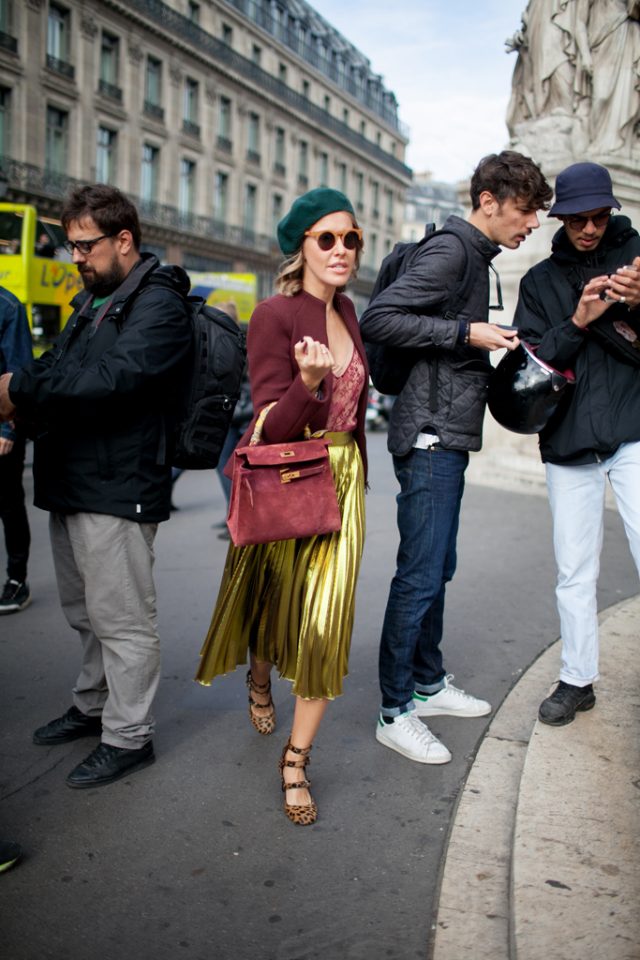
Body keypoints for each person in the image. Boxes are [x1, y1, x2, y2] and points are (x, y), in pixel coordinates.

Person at [360, 151, 553, 764]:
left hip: (446, 431)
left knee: (437, 567)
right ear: (488, 201)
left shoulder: (475, 256)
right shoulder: (452, 251)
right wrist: (465, 333)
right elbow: (381, 318)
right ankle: (395, 710)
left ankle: (428, 682)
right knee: (419, 574)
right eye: (525, 211)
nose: (531, 225)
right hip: (428, 435)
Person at [0, 184, 192, 787]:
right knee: (86, 613)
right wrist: (23, 388)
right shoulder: (94, 301)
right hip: (75, 480)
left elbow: (112, 379)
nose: (75, 258)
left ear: (124, 240)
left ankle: (129, 736)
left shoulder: (158, 304)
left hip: (119, 486)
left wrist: (20, 391)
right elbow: (59, 367)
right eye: (72, 247)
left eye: (84, 246)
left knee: (124, 619)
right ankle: (92, 707)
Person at [196, 188, 369, 825]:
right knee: (273, 598)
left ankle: (295, 760)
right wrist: (308, 386)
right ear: (300, 246)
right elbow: (269, 427)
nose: (342, 250)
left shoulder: (349, 311)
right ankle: (260, 676)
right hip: (293, 472)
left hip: (346, 477)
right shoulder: (274, 314)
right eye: (328, 238)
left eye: (351, 238)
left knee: (327, 623)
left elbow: (355, 408)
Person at [514, 161, 640, 725]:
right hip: (568, 442)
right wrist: (581, 318)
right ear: (559, 217)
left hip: (634, 429)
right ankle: (577, 679)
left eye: (597, 216)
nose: (588, 228)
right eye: (576, 218)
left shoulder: (638, 259)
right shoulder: (538, 282)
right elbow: (532, 362)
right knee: (574, 569)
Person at [0, 285, 33, 614]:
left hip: (2, 426)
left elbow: (17, 373)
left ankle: (17, 579)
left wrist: (6, 427)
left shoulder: (8, 306)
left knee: (9, 504)